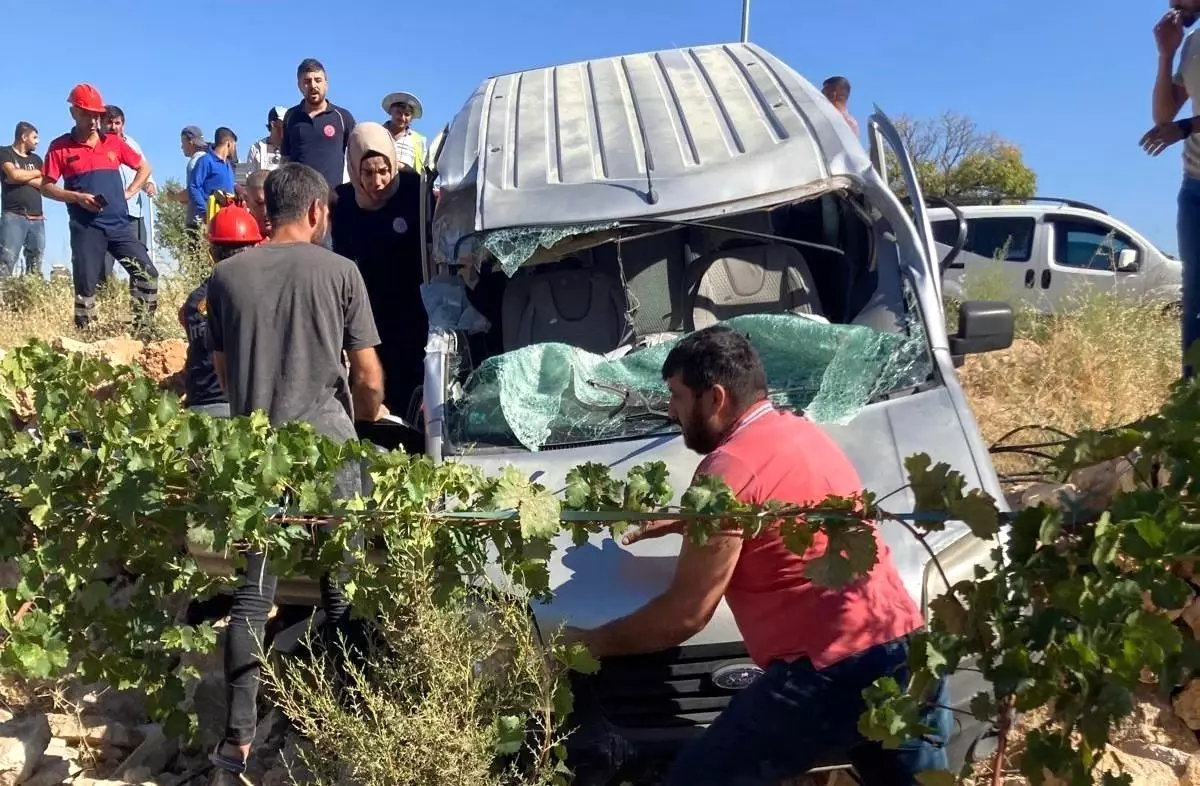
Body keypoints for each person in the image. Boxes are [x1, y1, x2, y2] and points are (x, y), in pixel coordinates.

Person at [563, 326, 948, 786]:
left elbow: (686, 615)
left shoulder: (727, 470)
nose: (672, 411)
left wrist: (591, 643)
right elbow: (780, 510)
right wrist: (689, 521)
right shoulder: (802, 433)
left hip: (827, 675)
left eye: (678, 397)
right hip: (905, 652)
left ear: (716, 398)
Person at [204, 162, 385, 783]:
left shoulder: (224, 278)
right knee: (342, 589)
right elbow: (366, 375)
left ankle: (236, 742)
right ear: (316, 211)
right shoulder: (341, 273)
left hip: (257, 455)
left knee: (253, 598)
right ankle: (349, 720)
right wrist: (363, 418)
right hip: (331, 452)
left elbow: (226, 376)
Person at [39, 84, 158, 335]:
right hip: (86, 228)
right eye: (86, 114)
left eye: (97, 114)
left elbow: (144, 167)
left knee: (147, 273)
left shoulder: (114, 143)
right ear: (73, 113)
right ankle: (87, 339)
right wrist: (76, 197)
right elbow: (46, 186)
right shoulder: (60, 147)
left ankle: (142, 331)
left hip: (119, 225)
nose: (93, 120)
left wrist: (129, 192)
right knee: (86, 287)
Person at [331, 122, 426, 414]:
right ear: (355, 170)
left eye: (384, 171)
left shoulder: (413, 191)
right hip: (371, 308)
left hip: (416, 306)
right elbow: (342, 259)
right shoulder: (344, 202)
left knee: (416, 382)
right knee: (376, 381)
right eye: (368, 173)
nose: (378, 181)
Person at [1141, 0, 1200, 376]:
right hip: (1194, 185)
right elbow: (1164, 116)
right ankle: (1191, 405)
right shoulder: (1193, 45)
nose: (1174, 5)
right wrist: (1166, 55)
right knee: (1194, 300)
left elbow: (1176, 126)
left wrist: (1185, 129)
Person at [179, 203, 262, 419]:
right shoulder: (263, 296)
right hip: (247, 408)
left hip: (200, 408)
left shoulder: (195, 300)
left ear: (212, 253)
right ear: (254, 249)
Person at [281, 58, 355, 191]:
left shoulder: (343, 117)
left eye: (318, 80)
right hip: (298, 199)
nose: (313, 85)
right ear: (299, 85)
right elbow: (285, 160)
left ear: (326, 83)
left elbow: (357, 156)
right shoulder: (291, 116)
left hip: (332, 198)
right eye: (307, 81)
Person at [102, 105, 157, 283]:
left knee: (139, 261)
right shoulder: (97, 145)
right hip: (108, 212)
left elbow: (144, 169)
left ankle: (140, 301)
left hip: (134, 211)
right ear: (101, 123)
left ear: (123, 124)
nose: (113, 127)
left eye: (117, 123)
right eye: (109, 122)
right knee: (104, 261)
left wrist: (148, 184)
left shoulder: (132, 144)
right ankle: (106, 297)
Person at [0, 122, 45, 279]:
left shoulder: (37, 160)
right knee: (7, 259)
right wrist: (34, 174)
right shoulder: (5, 152)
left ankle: (30, 300)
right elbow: (13, 175)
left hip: (37, 219)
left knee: (35, 262)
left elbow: (44, 184)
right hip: (13, 216)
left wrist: (19, 177)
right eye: (34, 137)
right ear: (24, 137)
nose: (37, 141)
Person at [188, 127, 238, 227]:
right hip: (210, 222)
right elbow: (193, 187)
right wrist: (205, 211)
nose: (234, 149)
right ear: (228, 143)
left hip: (226, 221)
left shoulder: (228, 165)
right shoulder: (206, 161)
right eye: (234, 146)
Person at [380, 91, 428, 174]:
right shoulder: (377, 133)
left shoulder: (419, 141)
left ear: (412, 118)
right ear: (391, 111)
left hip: (407, 185)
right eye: (398, 112)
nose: (402, 117)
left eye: (407, 114)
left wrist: (403, 167)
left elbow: (423, 171)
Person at [245, 106, 286, 176]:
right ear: (273, 124)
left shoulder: (292, 147)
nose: (286, 126)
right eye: (283, 123)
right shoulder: (256, 148)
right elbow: (250, 178)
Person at [242, 169, 270, 237]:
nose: (266, 211)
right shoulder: (240, 237)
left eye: (271, 203)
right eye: (260, 204)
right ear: (247, 200)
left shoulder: (293, 235)